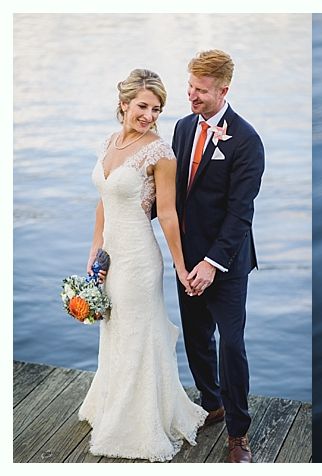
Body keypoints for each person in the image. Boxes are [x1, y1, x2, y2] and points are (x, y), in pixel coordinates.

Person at [79, 68, 207, 462]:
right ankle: (113, 405)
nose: (149, 115)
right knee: (114, 332)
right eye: (142, 106)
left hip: (139, 259)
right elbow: (105, 201)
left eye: (156, 109)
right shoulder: (109, 143)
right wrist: (94, 249)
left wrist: (181, 267)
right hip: (112, 257)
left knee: (137, 334)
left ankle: (139, 421)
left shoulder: (160, 153)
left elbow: (167, 215)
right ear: (124, 104)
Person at [172, 49, 264, 464]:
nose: (191, 96)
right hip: (184, 258)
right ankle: (211, 404)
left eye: (201, 91)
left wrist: (211, 264)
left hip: (226, 264)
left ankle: (238, 434)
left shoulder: (246, 140)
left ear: (223, 90)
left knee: (231, 343)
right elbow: (175, 197)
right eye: (189, 86)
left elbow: (240, 212)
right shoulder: (180, 128)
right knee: (195, 339)